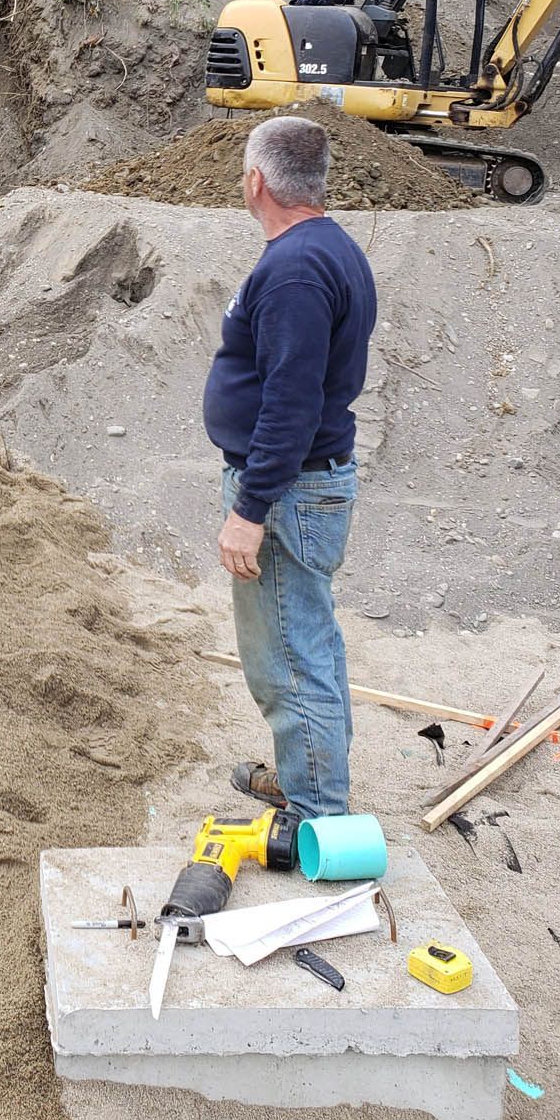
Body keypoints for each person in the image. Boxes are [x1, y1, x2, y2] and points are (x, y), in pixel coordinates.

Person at [202, 115, 377, 821]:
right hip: (303, 483)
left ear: (256, 181)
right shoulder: (327, 248)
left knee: (288, 656)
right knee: (308, 638)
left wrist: (248, 512)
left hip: (287, 491)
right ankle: (309, 777)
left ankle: (315, 813)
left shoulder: (296, 269)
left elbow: (291, 403)